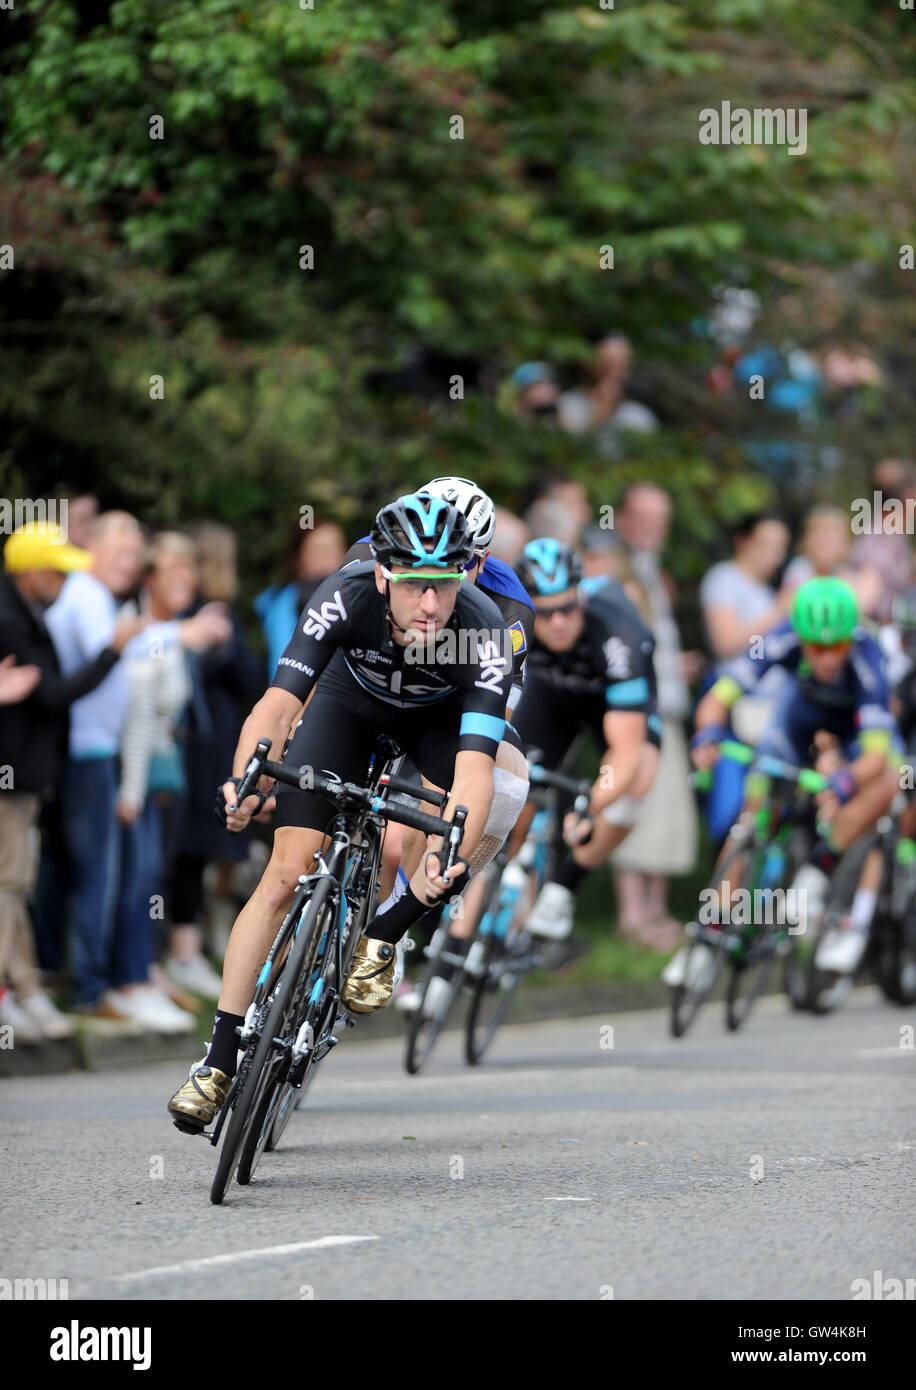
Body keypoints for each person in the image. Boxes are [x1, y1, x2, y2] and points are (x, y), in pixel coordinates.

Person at [167, 495, 527, 1131]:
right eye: (414, 585)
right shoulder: (346, 592)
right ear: (384, 574)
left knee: (492, 797)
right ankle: (218, 1061)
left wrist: (452, 848)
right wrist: (244, 778)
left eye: (443, 587)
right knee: (283, 874)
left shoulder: (487, 631)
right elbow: (277, 707)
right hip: (348, 706)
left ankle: (389, 930)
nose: (429, 606)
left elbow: (471, 771)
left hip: (435, 724)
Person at [39, 512, 232, 1021]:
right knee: (102, 877)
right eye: (121, 552)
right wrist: (179, 634)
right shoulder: (84, 594)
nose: (128, 562)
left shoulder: (103, 599)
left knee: (120, 875)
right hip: (91, 754)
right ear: (94, 548)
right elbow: (118, 657)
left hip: (111, 757)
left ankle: (116, 980)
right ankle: (93, 988)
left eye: (133, 553)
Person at [669, 576, 900, 988]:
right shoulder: (783, 636)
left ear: (850, 637)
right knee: (752, 814)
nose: (827, 657)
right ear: (801, 636)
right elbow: (718, 697)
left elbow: (876, 755)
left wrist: (845, 781)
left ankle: (816, 874)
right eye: (816, 646)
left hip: (855, 734)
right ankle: (708, 941)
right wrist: (707, 735)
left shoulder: (869, 655)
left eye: (836, 646)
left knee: (885, 783)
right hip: (799, 719)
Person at [0, 522, 147, 1041]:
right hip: (28, 770)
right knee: (20, 882)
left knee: (22, 881)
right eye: (58, 572)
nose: (64, 581)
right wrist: (113, 649)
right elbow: (54, 693)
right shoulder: (17, 616)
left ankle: (29, 989)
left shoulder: (32, 610)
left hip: (35, 770)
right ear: (35, 572)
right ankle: (34, 992)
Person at [505, 538, 661, 947]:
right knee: (512, 781)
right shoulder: (512, 619)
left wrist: (590, 805)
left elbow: (624, 750)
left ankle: (563, 890)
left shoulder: (616, 631)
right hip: (553, 695)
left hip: (613, 699)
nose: (558, 622)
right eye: (547, 611)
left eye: (568, 608)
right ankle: (496, 894)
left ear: (581, 597)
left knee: (638, 777)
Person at [107, 533, 232, 1033]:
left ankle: (149, 971)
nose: (185, 579)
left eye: (190, 569)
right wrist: (185, 633)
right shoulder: (147, 626)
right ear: (150, 577)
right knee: (136, 876)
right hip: (139, 764)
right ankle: (128, 979)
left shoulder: (173, 629)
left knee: (153, 872)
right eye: (172, 570)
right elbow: (135, 666)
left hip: (166, 762)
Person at [587, 484, 699, 951]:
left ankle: (652, 913)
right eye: (646, 517)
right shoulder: (615, 565)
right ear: (625, 518)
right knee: (637, 805)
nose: (654, 527)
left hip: (664, 704)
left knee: (664, 812)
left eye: (661, 517)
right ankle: (634, 918)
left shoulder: (649, 569)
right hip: (637, 708)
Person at [166, 522, 264, 1000]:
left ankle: (201, 945)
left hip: (223, 744)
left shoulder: (221, 616)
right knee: (186, 848)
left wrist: (225, 643)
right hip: (192, 748)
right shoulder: (182, 618)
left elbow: (253, 679)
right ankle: (180, 951)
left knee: (214, 847)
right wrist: (209, 644)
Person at [697, 512, 792, 844]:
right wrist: (780, 611)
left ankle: (750, 892)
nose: (775, 554)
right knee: (727, 811)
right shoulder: (724, 578)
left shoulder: (767, 593)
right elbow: (726, 643)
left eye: (781, 547)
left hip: (765, 716)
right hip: (730, 711)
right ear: (743, 541)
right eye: (766, 543)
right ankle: (723, 890)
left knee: (760, 810)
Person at [254, 520, 347, 676]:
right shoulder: (285, 602)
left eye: (335, 547)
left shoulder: (356, 595)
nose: (330, 556)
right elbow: (283, 664)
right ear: (299, 558)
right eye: (319, 549)